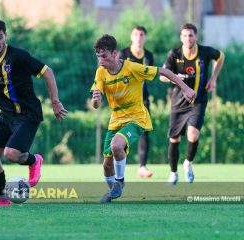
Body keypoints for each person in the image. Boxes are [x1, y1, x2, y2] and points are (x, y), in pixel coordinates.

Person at [0, 18, 68, 207]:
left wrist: (55, 100)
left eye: (0, 37)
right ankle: (2, 198)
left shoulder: (18, 56)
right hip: (6, 115)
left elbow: (48, 72)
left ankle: (34, 160)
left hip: (27, 114)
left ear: (6, 35)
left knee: (12, 154)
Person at [90, 34, 195, 203]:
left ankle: (119, 182)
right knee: (106, 165)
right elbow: (96, 103)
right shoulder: (100, 73)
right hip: (115, 121)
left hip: (137, 118)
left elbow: (163, 71)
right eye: (98, 57)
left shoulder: (132, 68)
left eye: (104, 56)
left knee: (116, 145)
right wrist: (96, 100)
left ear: (115, 54)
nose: (101, 61)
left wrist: (185, 88)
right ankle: (113, 192)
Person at [160, 23, 225, 185]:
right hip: (178, 101)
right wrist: (174, 78)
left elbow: (221, 57)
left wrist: (213, 78)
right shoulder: (174, 54)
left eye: (191, 35)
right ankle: (173, 173)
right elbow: (161, 76)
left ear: (196, 36)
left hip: (198, 100)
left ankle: (188, 163)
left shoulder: (205, 52)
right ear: (181, 37)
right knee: (174, 139)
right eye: (185, 35)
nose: (188, 38)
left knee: (193, 134)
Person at [120, 26, 154, 178]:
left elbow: (149, 76)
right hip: (124, 100)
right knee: (121, 133)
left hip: (142, 100)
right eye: (136, 34)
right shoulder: (123, 53)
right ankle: (117, 166)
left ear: (145, 37)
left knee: (143, 132)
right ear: (131, 36)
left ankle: (142, 167)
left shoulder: (149, 56)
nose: (138, 37)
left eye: (141, 34)